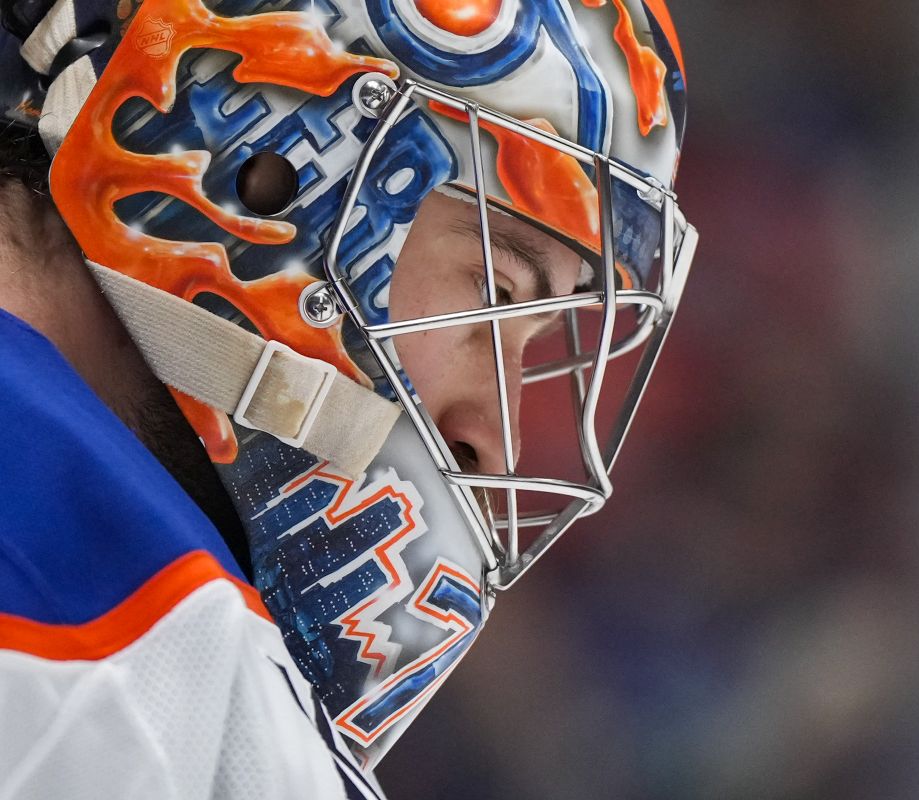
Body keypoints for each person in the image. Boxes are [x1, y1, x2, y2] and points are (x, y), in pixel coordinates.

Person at [0, 0, 696, 797]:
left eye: (528, 340)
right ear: (260, 170)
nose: (494, 438)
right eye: (493, 290)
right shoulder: (137, 640)